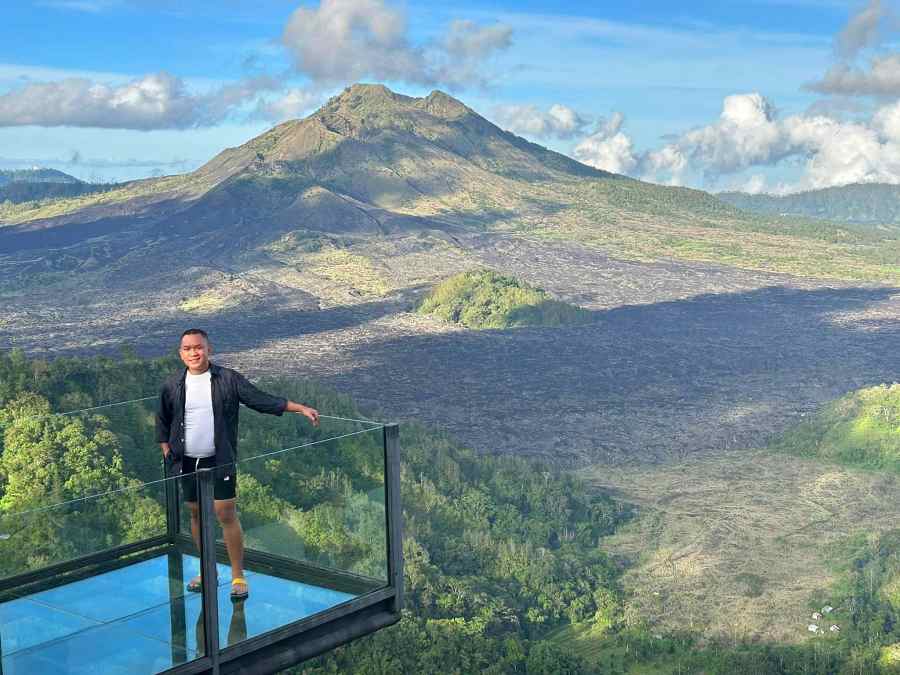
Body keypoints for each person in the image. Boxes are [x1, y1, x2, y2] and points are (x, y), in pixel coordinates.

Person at [156, 328, 319, 601]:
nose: (194, 352)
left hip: (219, 459)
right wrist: (167, 452)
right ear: (180, 353)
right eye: (187, 348)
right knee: (195, 514)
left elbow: (260, 399)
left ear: (209, 349)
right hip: (185, 461)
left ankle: (237, 575)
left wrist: (300, 407)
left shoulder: (227, 379)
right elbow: (162, 421)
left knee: (225, 514)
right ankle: (208, 571)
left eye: (199, 347)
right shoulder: (172, 385)